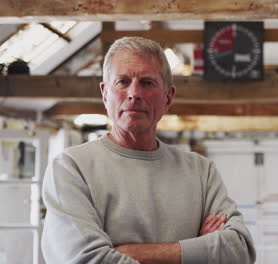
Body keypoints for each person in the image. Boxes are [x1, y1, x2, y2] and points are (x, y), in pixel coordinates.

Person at [41, 37, 256, 264]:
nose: (134, 93)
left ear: (168, 97)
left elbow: (239, 250)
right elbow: (87, 260)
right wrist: (198, 251)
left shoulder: (201, 171)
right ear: (105, 94)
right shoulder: (71, 169)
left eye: (147, 83)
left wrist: (128, 253)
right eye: (123, 82)